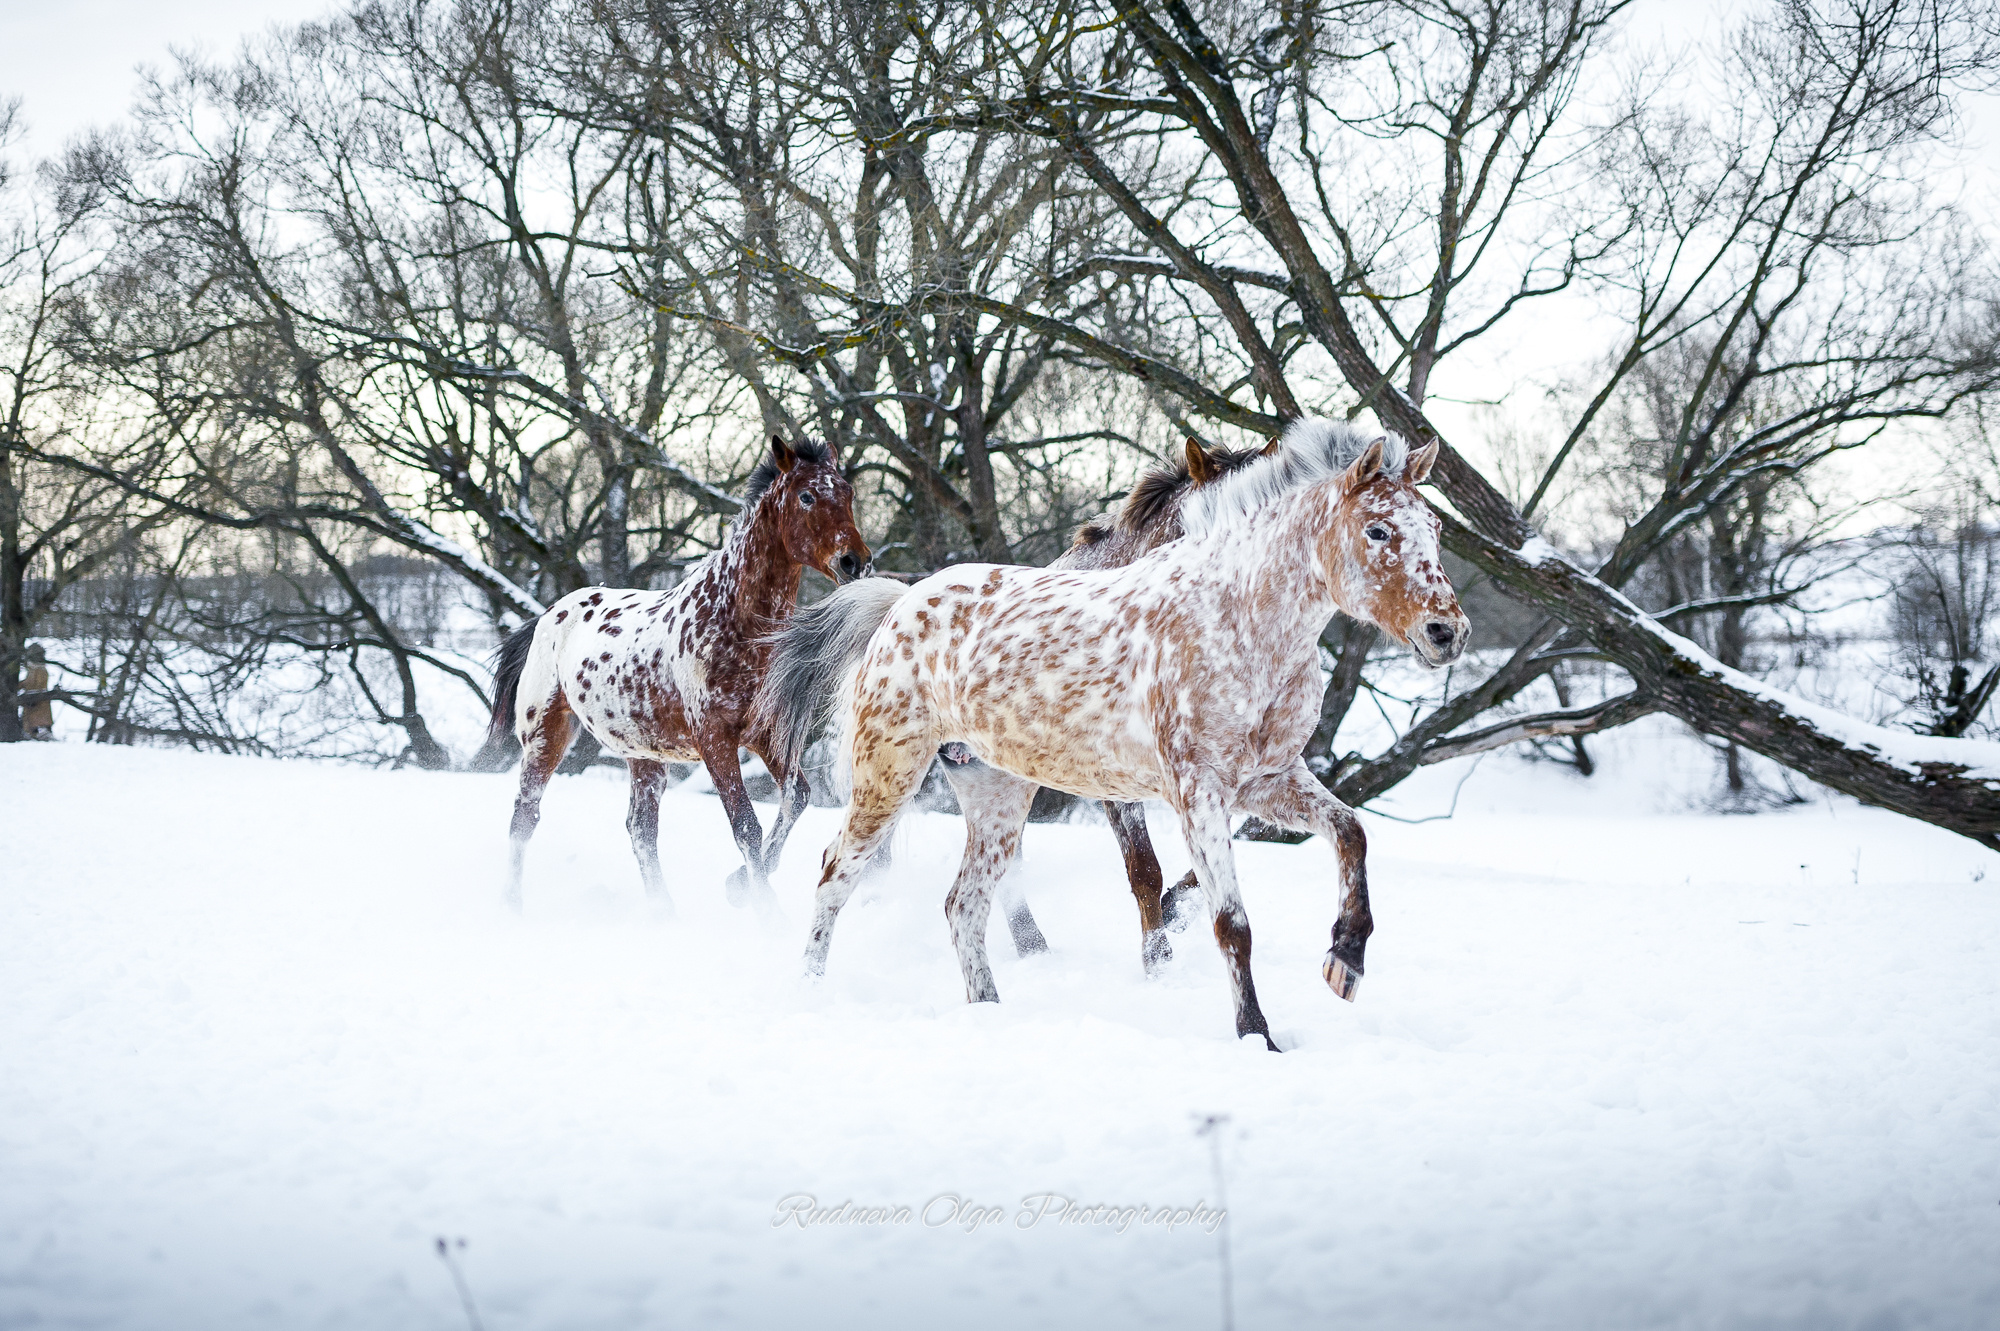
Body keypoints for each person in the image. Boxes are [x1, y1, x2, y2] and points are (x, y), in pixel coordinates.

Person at [20, 643, 54, 740]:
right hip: (34, 703)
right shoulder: (34, 669)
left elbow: (36, 685)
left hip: (37, 703)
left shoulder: (39, 670)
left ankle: (39, 734)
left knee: (38, 723)